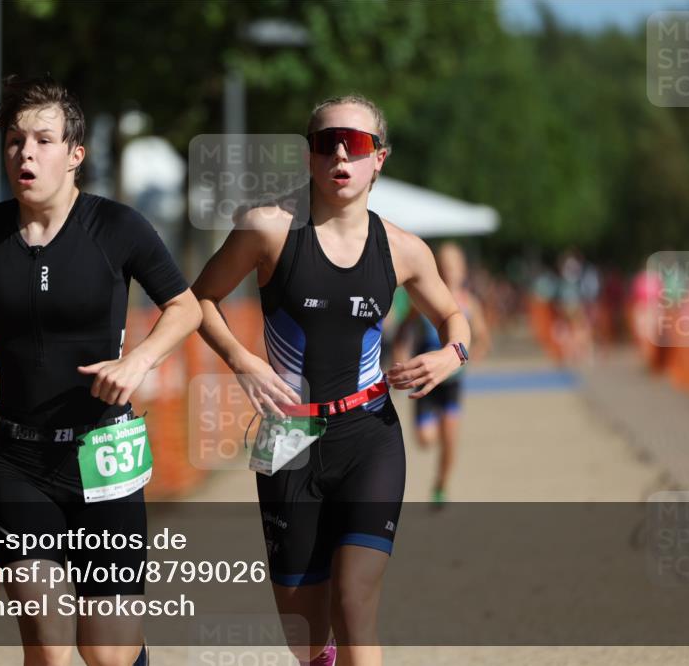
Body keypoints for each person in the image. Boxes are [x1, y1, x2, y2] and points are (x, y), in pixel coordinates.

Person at [192, 95, 471, 665]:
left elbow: (452, 316)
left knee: (354, 603)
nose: (341, 153)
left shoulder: (403, 249)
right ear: (309, 156)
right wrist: (243, 362)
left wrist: (452, 354)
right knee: (307, 637)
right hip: (286, 441)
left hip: (369, 435)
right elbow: (200, 298)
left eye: (357, 143)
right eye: (327, 142)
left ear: (379, 159)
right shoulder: (268, 229)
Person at [0, 73, 201, 666]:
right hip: (18, 458)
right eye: (14, 140)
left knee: (106, 653)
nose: (25, 151)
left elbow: (186, 308)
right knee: (50, 651)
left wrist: (138, 362)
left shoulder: (117, 227)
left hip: (104, 452)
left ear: (75, 154)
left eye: (43, 140)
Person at [394, 242, 490, 505]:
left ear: (462, 270)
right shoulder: (426, 299)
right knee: (426, 440)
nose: (449, 271)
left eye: (454, 266)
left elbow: (482, 336)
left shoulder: (469, 303)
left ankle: (441, 485)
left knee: (449, 438)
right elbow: (404, 327)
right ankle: (431, 423)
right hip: (424, 379)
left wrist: (472, 356)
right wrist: (401, 351)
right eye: (444, 266)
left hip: (452, 382)